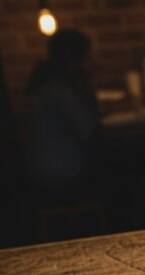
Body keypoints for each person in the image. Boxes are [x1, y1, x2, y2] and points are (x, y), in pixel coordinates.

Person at [25, 29, 99, 193]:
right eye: (88, 58)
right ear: (74, 61)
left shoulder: (44, 84)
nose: (93, 62)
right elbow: (88, 131)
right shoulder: (59, 91)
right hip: (61, 173)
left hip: (43, 169)